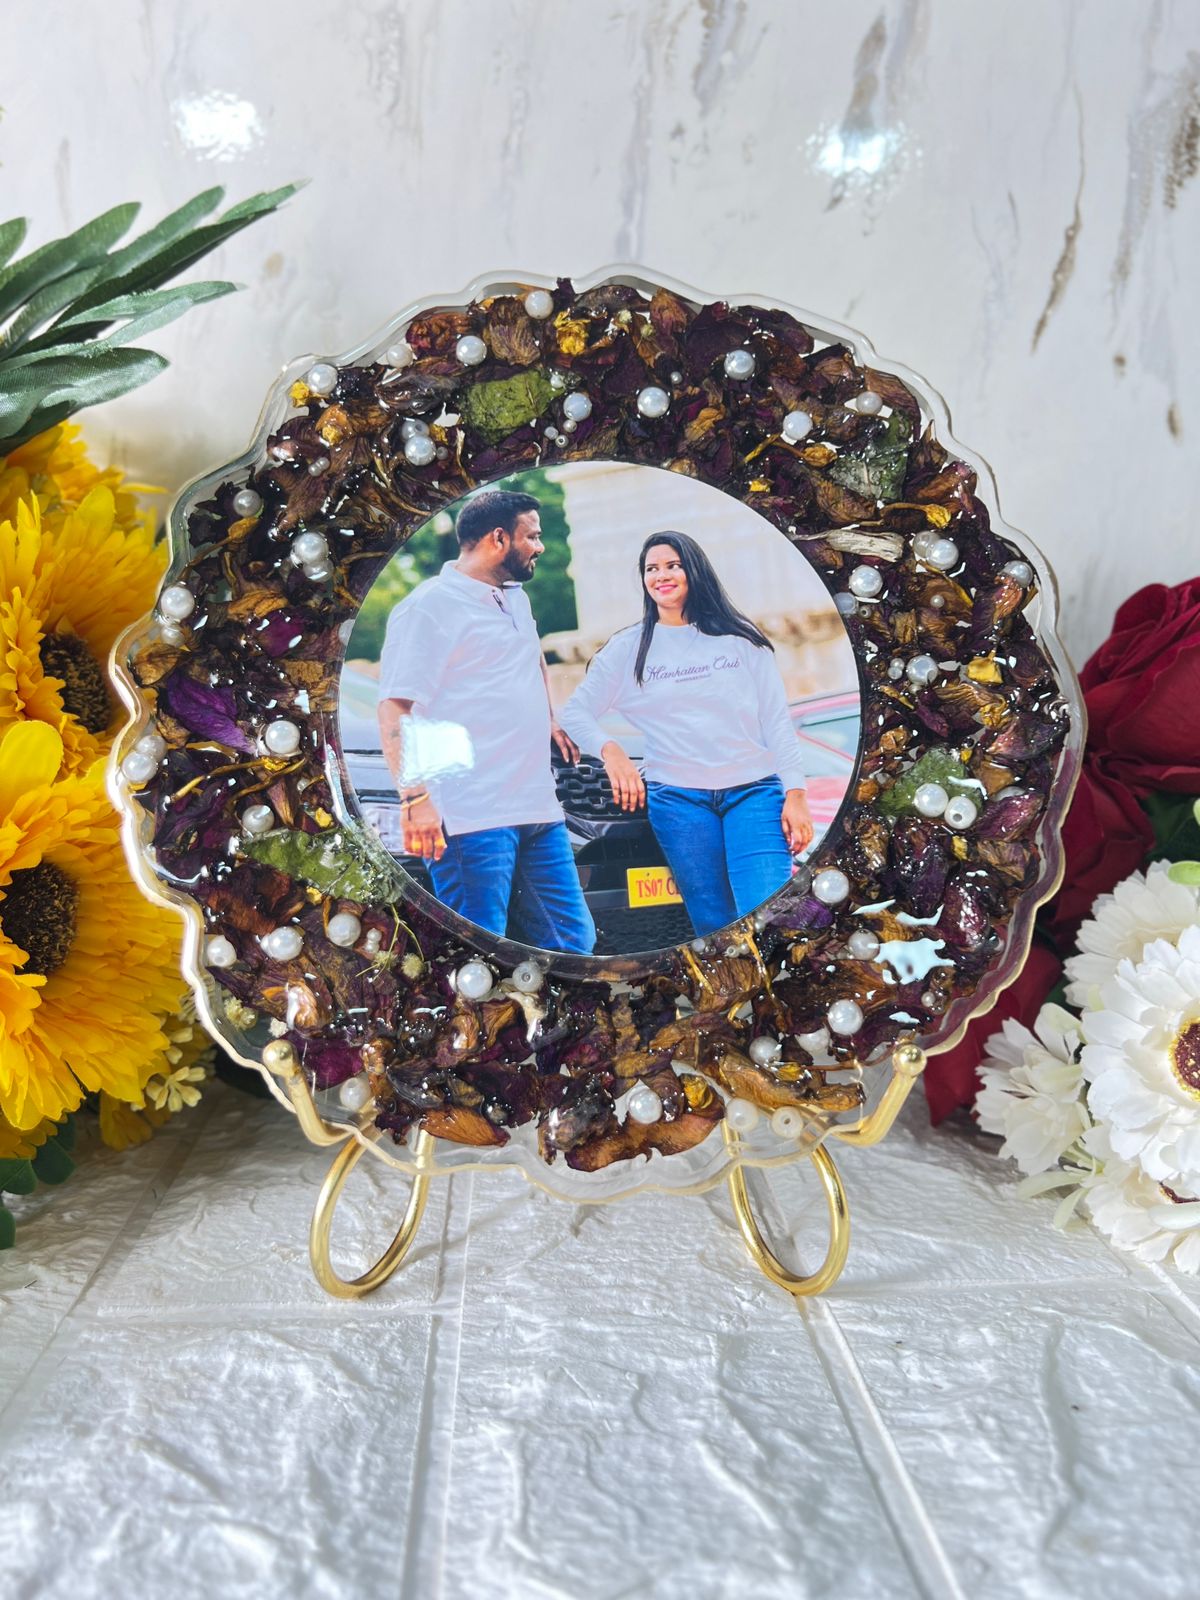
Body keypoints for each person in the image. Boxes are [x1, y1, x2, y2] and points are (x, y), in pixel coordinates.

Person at [558, 531, 814, 938]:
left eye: (672, 565)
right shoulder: (628, 648)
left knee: (768, 915)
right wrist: (612, 752)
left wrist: (796, 794)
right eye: (651, 569)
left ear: (693, 570)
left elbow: (776, 722)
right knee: (713, 926)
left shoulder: (741, 640)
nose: (661, 575)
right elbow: (575, 712)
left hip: (754, 794)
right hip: (679, 802)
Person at [375, 488, 596, 954]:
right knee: (480, 951)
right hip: (471, 815)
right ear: (499, 538)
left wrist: (550, 718)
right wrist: (415, 800)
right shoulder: (428, 607)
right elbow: (395, 707)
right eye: (532, 536)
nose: (540, 546)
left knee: (574, 944)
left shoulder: (514, 598)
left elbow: (531, 654)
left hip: (537, 807)